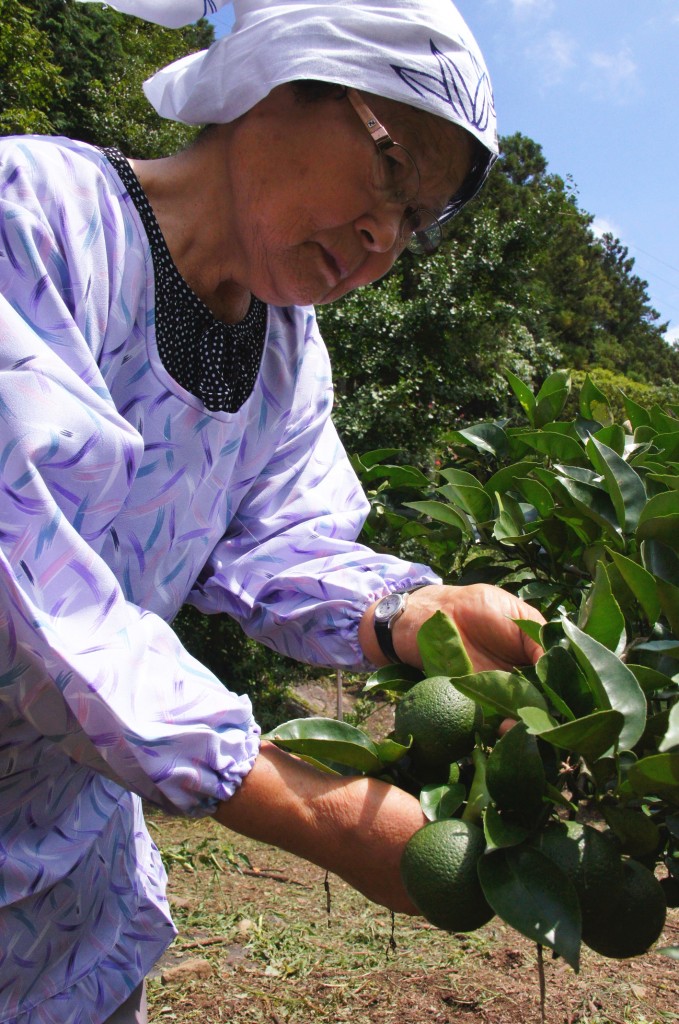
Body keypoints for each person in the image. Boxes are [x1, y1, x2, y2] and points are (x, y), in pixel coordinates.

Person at [0, 1, 544, 1020]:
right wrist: (311, 810)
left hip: (63, 887)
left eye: (417, 221)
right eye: (391, 167)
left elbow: (281, 541)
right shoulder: (35, 213)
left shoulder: (285, 356)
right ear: (279, 76)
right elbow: (27, 575)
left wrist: (406, 611)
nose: (386, 235)